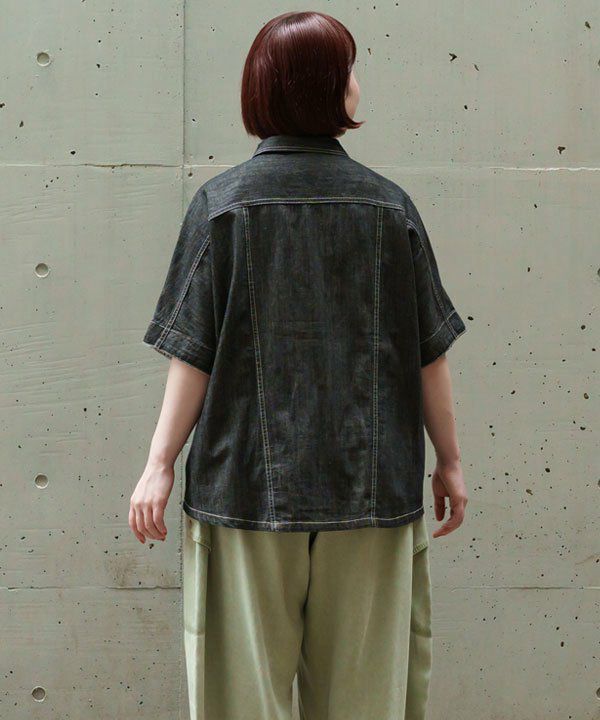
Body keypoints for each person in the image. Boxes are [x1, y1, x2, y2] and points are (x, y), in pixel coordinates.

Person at [130, 10, 468, 720]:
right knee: (367, 703)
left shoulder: (222, 206)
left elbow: (193, 354)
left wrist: (160, 463)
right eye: (349, 67)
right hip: (371, 491)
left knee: (238, 703)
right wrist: (450, 460)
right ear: (326, 86)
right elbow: (427, 353)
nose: (357, 80)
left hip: (244, 491)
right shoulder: (389, 208)